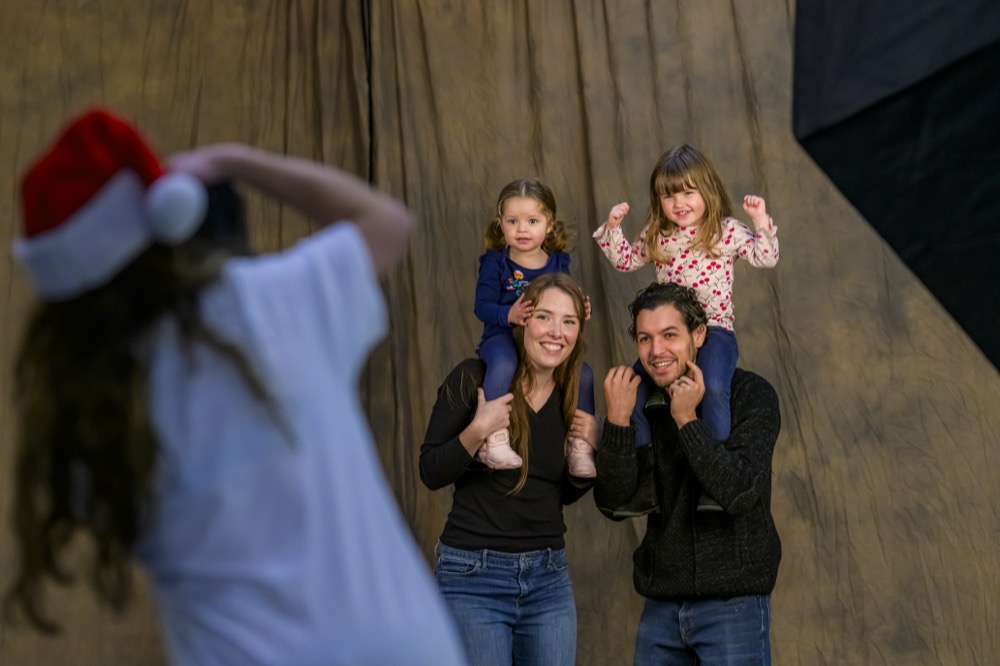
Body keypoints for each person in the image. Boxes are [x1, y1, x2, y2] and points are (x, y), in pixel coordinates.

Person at [5, 108, 466, 665]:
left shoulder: (87, 415)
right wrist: (237, 162)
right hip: (403, 647)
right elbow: (387, 223)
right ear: (165, 219)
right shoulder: (264, 303)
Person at [594, 281, 782, 665]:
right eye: (645, 339)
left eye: (669, 335)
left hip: (733, 606)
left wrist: (686, 420)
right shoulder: (639, 405)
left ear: (698, 335)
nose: (656, 351)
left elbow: (740, 492)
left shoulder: (751, 394)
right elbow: (613, 502)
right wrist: (617, 422)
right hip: (662, 605)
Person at [421, 272, 599, 666]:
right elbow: (431, 472)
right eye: (544, 317)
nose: (556, 332)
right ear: (522, 319)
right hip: (473, 578)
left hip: (548, 579)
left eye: (569, 321)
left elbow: (563, 493)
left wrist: (597, 446)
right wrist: (477, 431)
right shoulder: (476, 379)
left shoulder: (574, 393)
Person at [593, 144, 779, 512]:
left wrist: (761, 222)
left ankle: (711, 481)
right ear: (658, 200)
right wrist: (613, 229)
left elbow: (766, 257)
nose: (679, 203)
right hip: (670, 338)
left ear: (707, 191)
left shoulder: (725, 231)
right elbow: (626, 261)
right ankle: (645, 481)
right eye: (668, 195)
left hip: (715, 332)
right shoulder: (658, 234)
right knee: (633, 388)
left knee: (713, 386)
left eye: (688, 192)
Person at [474, 179, 596, 477]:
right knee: (504, 365)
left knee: (584, 373)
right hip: (503, 337)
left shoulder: (558, 263)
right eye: (512, 221)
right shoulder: (496, 263)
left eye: (532, 221)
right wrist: (509, 314)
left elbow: (567, 300)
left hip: (545, 343)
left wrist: (580, 308)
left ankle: (579, 446)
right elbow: (482, 306)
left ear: (549, 224)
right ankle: (494, 438)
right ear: (500, 224)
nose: (522, 229)